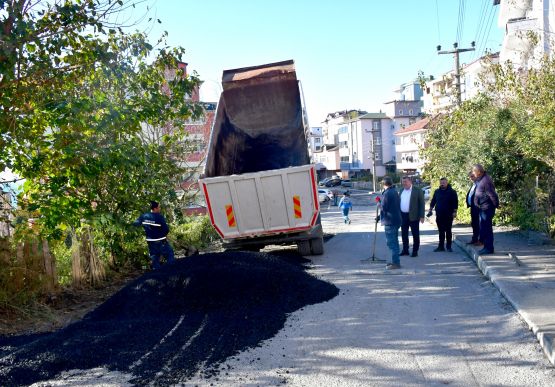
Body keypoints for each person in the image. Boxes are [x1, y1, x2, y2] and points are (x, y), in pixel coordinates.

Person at [133, 201, 176, 269]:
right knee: (169, 253)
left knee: (155, 258)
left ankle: (157, 275)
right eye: (159, 207)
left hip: (150, 242)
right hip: (161, 241)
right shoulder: (159, 217)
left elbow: (135, 224)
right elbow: (166, 229)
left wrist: (145, 226)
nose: (160, 209)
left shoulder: (144, 216)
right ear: (155, 208)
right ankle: (172, 272)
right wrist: (163, 235)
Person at [472, 164, 499, 255]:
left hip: (487, 208)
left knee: (487, 228)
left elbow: (492, 194)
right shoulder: (482, 179)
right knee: (484, 228)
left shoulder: (486, 180)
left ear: (478, 172)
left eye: (474, 171)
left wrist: (496, 205)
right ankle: (486, 247)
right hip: (483, 208)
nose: (473, 173)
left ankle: (489, 248)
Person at [377, 176, 402, 269]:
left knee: (392, 243)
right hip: (396, 220)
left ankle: (396, 263)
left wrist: (378, 204)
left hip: (390, 221)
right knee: (394, 242)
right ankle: (395, 261)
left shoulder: (387, 193)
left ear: (383, 184)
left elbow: (384, 208)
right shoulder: (395, 192)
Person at [428, 177, 458, 252]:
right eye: (441, 183)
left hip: (448, 214)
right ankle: (441, 246)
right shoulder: (437, 191)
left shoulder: (452, 192)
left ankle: (449, 246)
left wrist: (455, 212)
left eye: (444, 183)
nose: (442, 184)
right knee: (441, 231)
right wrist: (430, 209)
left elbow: (455, 202)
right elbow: (433, 201)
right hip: (439, 214)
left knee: (448, 231)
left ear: (447, 183)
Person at [399, 176, 425, 257]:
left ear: (410, 182)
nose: (404, 183)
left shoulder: (417, 190)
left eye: (405, 181)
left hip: (414, 216)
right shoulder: (401, 190)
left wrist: (422, 216)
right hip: (403, 216)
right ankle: (405, 250)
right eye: (403, 182)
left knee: (415, 234)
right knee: (404, 234)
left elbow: (422, 204)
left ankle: (415, 251)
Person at [465, 171, 481, 246]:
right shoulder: (474, 185)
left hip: (478, 208)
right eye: (470, 177)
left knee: (479, 224)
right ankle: (474, 239)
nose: (471, 178)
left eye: (472, 176)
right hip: (473, 207)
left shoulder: (480, 185)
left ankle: (480, 240)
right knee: (474, 224)